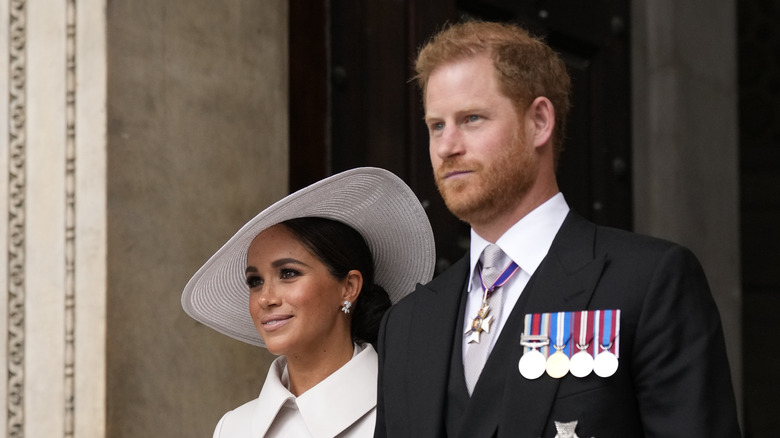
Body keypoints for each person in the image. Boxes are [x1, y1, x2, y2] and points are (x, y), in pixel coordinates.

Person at [374, 20, 741, 438]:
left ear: (540, 122)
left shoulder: (648, 283)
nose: (446, 147)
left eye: (471, 118)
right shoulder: (406, 325)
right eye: (436, 125)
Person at [182, 167, 435, 437]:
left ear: (349, 287)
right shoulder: (233, 428)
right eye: (255, 281)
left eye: (288, 273)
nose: (265, 298)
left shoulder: (415, 412)